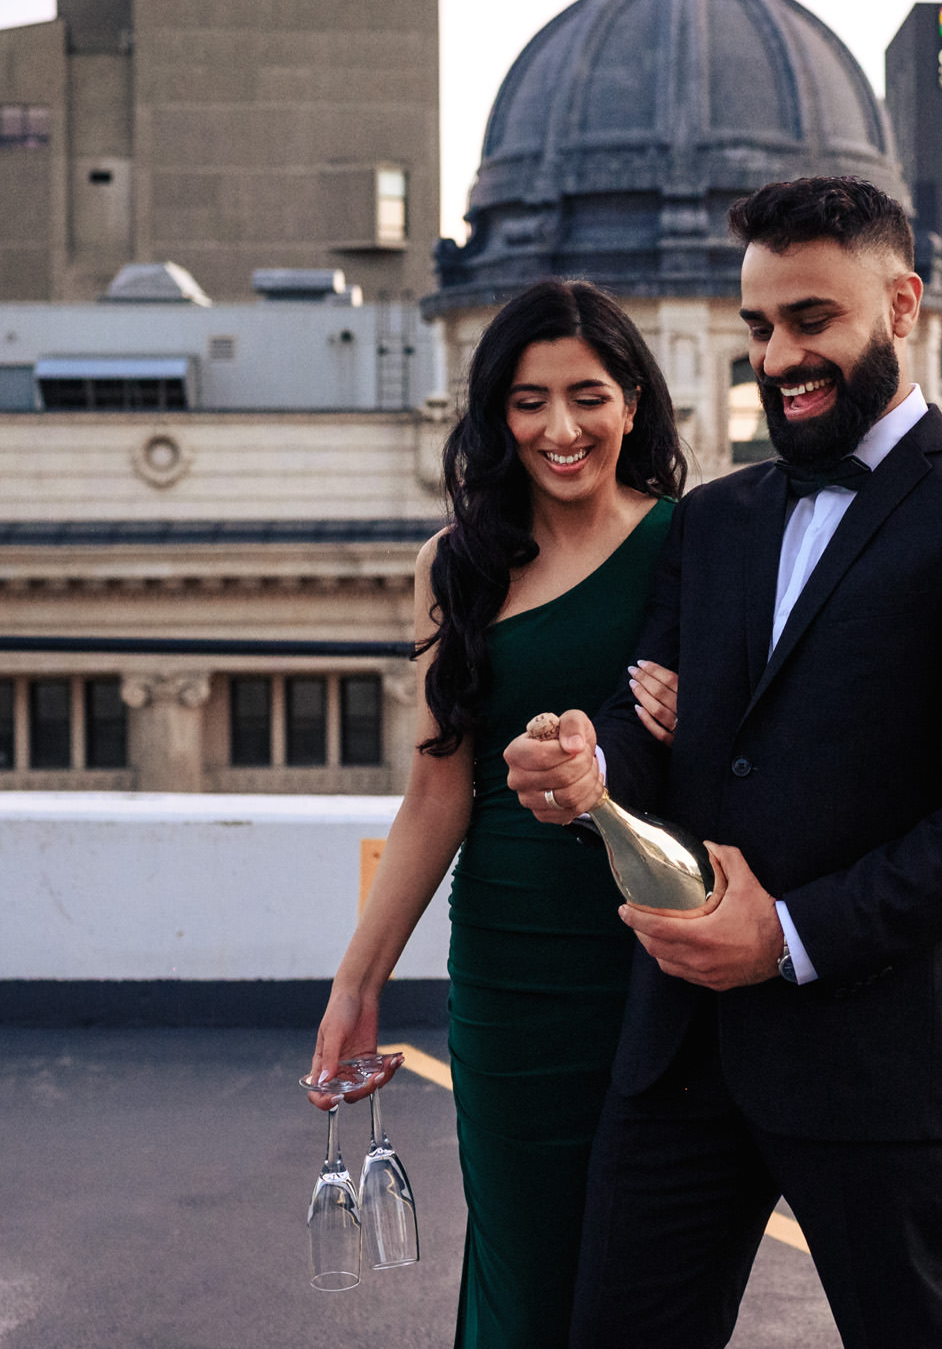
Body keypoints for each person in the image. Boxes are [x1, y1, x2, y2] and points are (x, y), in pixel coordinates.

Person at [504, 176, 942, 1349]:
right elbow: (653, 730)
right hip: (680, 1057)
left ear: (903, 304)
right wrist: (583, 767)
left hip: (884, 1062)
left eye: (811, 321)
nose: (779, 358)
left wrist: (784, 937)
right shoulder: (713, 519)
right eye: (760, 329)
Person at [308, 278, 688, 1348]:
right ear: (496, 414)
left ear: (634, 404)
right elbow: (437, 792)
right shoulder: (457, 565)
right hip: (511, 971)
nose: (561, 429)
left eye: (588, 396)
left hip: (653, 958)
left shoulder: (694, 544)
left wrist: (701, 715)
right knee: (523, 1265)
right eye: (529, 401)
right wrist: (357, 981)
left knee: (639, 1276)